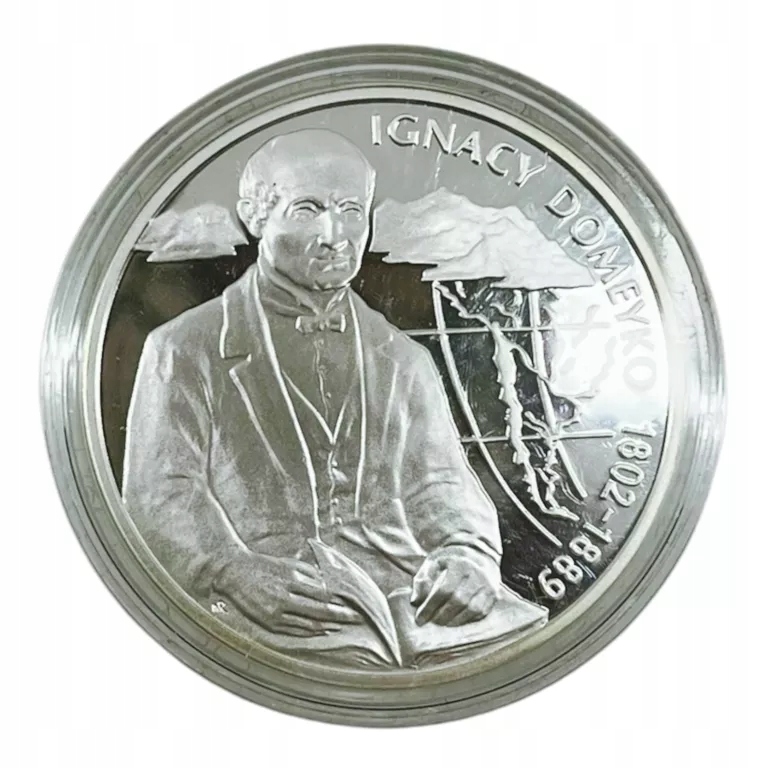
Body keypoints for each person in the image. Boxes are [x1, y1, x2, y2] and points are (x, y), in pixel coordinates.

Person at [123, 129, 504, 658]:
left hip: (407, 596)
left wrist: (469, 557)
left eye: (351, 211)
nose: (335, 235)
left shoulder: (404, 359)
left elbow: (440, 483)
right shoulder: (183, 347)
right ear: (255, 216)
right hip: (270, 604)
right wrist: (230, 569)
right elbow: (160, 492)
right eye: (308, 209)